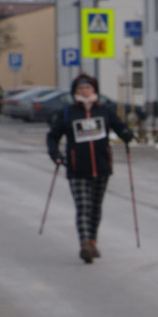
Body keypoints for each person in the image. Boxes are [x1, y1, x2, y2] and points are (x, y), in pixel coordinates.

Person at [46, 73, 133, 264]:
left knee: (95, 208)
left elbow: (120, 128)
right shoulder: (68, 113)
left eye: (88, 88)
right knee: (83, 206)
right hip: (77, 168)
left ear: (94, 91)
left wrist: (127, 133)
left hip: (102, 168)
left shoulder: (105, 111)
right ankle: (85, 243)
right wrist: (56, 155)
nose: (85, 92)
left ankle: (93, 240)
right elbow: (53, 137)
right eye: (81, 89)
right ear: (75, 92)